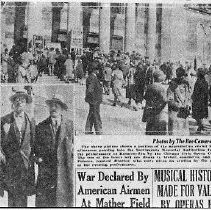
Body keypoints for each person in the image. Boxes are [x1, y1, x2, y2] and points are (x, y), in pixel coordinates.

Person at [34, 94, 74, 207]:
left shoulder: (70, 126)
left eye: (57, 105)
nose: (54, 108)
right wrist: (39, 159)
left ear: (61, 108)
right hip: (46, 176)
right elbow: (35, 151)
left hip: (64, 174)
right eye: (51, 105)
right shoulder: (40, 127)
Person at [0, 88, 35, 207]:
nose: (19, 102)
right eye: (17, 100)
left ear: (26, 104)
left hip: (25, 166)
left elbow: (33, 144)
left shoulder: (31, 121)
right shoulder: (4, 120)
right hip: (11, 166)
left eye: (22, 100)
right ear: (13, 103)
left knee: (23, 199)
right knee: (12, 199)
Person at [167, 67, 191, 135]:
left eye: (183, 76)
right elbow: (170, 100)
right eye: (180, 76)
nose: (182, 78)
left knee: (184, 134)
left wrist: (188, 105)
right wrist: (179, 106)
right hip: (175, 114)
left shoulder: (186, 84)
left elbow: (188, 97)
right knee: (175, 134)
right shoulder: (172, 85)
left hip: (184, 115)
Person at [143, 70, 168, 135]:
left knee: (150, 130)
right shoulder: (161, 88)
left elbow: (145, 97)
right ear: (159, 77)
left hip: (150, 112)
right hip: (159, 112)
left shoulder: (150, 86)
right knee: (159, 132)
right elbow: (165, 100)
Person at [85, 62, 103, 135]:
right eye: (97, 70)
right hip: (94, 100)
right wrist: (94, 100)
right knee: (96, 115)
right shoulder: (93, 77)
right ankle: (98, 130)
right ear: (95, 70)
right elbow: (90, 90)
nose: (98, 71)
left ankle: (88, 129)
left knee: (91, 114)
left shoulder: (92, 77)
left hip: (93, 100)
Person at [192, 68, 209, 133]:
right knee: (201, 115)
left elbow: (196, 92)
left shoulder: (198, 82)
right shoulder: (205, 82)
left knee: (197, 115)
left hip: (198, 100)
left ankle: (201, 127)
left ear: (199, 74)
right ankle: (200, 127)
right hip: (203, 100)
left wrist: (193, 98)